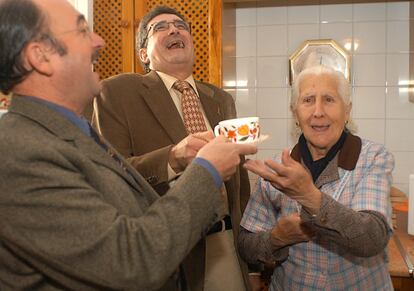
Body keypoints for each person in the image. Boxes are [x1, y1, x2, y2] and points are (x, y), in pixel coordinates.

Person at [0, 0, 257, 290]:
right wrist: (206, 169)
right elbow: (129, 260)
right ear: (40, 56)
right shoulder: (19, 151)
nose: (100, 41)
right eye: (83, 31)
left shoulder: (70, 130)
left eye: (181, 26)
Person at [92, 5, 254, 291]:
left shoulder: (221, 99)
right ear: (143, 54)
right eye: (160, 27)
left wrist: (250, 260)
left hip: (227, 248)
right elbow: (106, 175)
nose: (174, 29)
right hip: (168, 256)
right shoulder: (117, 93)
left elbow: (239, 185)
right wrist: (172, 158)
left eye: (181, 26)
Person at [238, 65, 394, 290]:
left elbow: (372, 238)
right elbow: (246, 245)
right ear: (295, 113)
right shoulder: (277, 167)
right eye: (308, 100)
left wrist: (309, 196)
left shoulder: (372, 157)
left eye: (329, 99)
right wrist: (278, 237)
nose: (318, 112)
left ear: (347, 111)